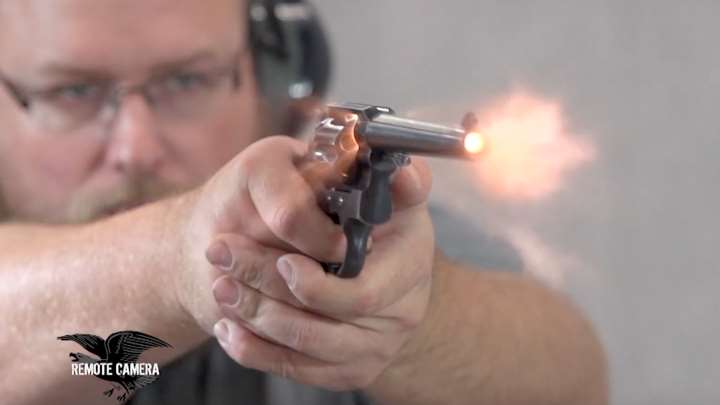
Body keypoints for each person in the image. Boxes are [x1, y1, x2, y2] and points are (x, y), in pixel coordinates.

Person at [0, 0, 608, 404]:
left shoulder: (302, 219)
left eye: (187, 81)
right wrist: (178, 256)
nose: (136, 146)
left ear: (271, 74)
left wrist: (413, 313)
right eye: (71, 92)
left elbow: (570, 374)